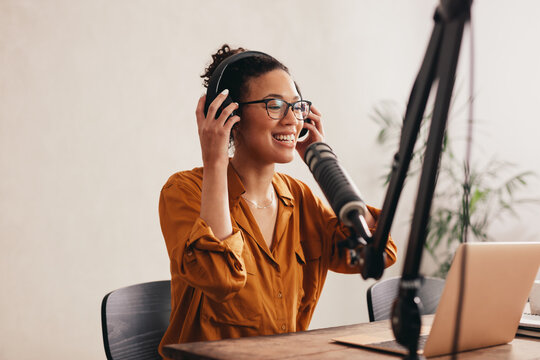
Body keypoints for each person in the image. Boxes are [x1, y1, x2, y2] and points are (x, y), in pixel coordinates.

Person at [158, 44, 397, 356]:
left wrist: (323, 162)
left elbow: (375, 253)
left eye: (297, 108)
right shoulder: (183, 191)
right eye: (274, 105)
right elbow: (220, 278)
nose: (291, 120)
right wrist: (214, 159)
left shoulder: (299, 198)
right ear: (231, 113)